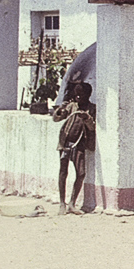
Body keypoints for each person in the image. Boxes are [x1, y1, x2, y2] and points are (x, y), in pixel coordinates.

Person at [53, 82, 96, 215]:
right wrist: (60, 109)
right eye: (76, 94)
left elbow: (92, 127)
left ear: (88, 95)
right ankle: (62, 203)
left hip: (79, 144)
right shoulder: (72, 106)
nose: (78, 97)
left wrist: (86, 118)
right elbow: (56, 118)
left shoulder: (92, 108)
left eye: (81, 94)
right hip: (66, 143)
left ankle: (72, 203)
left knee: (81, 173)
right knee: (63, 172)